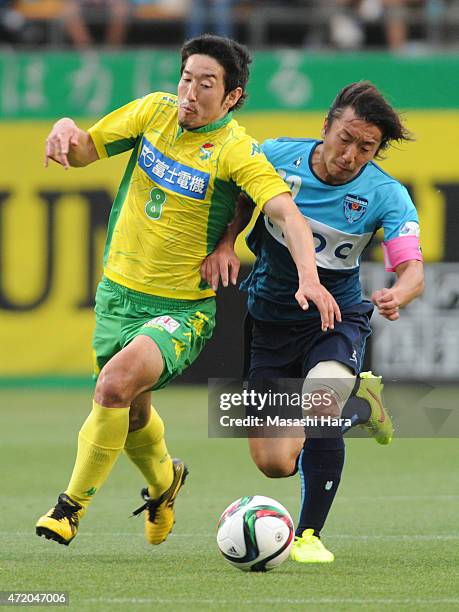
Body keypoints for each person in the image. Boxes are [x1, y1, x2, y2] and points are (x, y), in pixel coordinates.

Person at [35, 34, 340, 547]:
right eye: (186, 78)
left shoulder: (234, 150)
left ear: (232, 97)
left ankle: (69, 508)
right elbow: (84, 150)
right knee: (131, 411)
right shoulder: (152, 113)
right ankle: (164, 484)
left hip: (181, 309)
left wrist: (309, 276)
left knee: (112, 385)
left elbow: (285, 211)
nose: (190, 93)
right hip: (117, 296)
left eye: (206, 84)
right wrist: (66, 128)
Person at [201, 81, 424, 563]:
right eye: (345, 138)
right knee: (274, 463)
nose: (351, 154)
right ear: (325, 127)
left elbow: (412, 269)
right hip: (269, 321)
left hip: (335, 318)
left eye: (367, 147)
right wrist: (225, 244)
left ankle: (309, 535)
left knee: (320, 402)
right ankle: (360, 410)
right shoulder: (276, 156)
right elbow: (240, 200)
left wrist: (396, 294)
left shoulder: (385, 194)